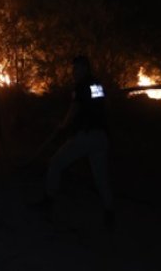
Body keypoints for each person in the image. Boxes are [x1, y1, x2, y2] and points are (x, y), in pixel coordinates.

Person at [43, 56, 113, 224]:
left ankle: (48, 201)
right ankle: (110, 211)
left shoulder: (81, 86)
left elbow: (74, 108)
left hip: (85, 136)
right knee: (100, 177)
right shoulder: (97, 84)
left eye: (76, 69)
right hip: (101, 137)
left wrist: (63, 125)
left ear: (84, 68)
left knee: (56, 162)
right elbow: (104, 107)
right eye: (73, 69)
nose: (73, 72)